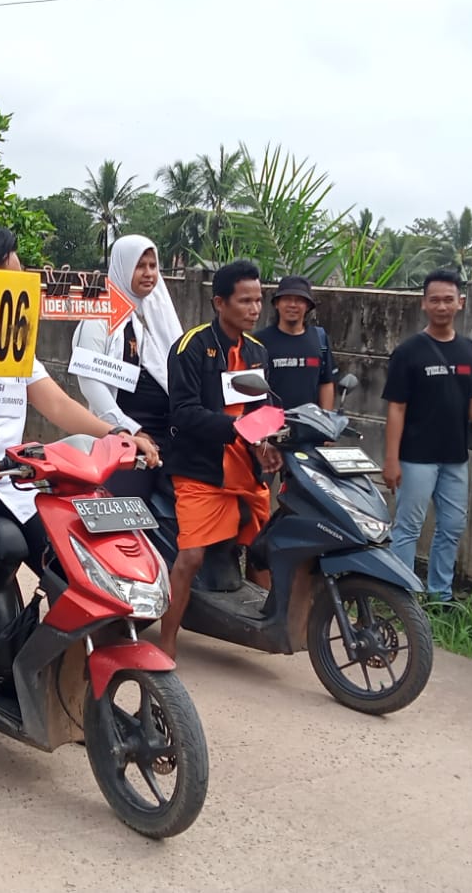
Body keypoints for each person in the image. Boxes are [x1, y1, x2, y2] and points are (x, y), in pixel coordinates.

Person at [0, 226, 159, 822]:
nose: (26, 279)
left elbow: (57, 405)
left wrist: (118, 434)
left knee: (80, 568)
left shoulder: (11, 336)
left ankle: (29, 673)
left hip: (14, 484)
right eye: (15, 268)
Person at [161, 260, 282, 658]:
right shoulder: (191, 347)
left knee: (266, 544)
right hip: (200, 468)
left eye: (259, 300)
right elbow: (183, 412)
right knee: (191, 556)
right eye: (245, 300)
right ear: (220, 302)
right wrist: (236, 431)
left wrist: (266, 445)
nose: (255, 308)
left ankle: (263, 631)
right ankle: (166, 642)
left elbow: (258, 412)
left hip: (244, 467)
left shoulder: (257, 352)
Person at [381, 268, 472, 601]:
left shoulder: (470, 351)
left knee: (453, 527)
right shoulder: (408, 352)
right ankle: (401, 596)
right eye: (435, 300)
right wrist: (391, 459)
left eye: (448, 300)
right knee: (408, 529)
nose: (442, 306)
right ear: (423, 304)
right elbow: (396, 409)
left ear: (461, 303)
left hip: (455, 457)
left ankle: (440, 595)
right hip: (415, 457)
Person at [69, 234, 182, 499]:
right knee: (124, 512)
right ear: (122, 267)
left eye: (153, 266)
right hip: (123, 440)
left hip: (168, 438)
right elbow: (90, 383)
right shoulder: (99, 317)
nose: (148, 273)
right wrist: (129, 429)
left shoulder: (158, 313)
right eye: (139, 266)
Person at [258, 275, 335, 410]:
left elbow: (326, 382)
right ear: (277, 304)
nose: (292, 305)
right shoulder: (259, 341)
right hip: (273, 426)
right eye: (287, 299)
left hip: (309, 425)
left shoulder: (320, 338)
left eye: (299, 300)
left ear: (307, 306)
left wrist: (325, 422)